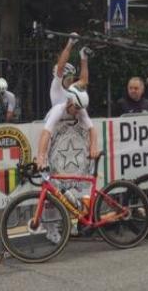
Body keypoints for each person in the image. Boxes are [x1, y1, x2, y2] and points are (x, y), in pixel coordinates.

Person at [37, 85, 99, 243]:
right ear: (69, 102)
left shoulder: (79, 107)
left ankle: (69, 222)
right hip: (52, 146)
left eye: (81, 109)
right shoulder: (59, 109)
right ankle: (51, 230)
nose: (78, 112)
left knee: (70, 188)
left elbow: (92, 129)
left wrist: (93, 147)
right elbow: (45, 133)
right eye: (76, 108)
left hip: (66, 147)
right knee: (52, 190)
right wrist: (41, 156)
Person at [51, 33, 92, 106]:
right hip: (59, 116)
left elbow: (84, 81)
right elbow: (60, 68)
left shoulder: (71, 88)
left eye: (72, 76)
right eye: (68, 78)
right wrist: (70, 43)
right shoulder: (57, 86)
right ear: (62, 78)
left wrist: (84, 58)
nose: (71, 79)